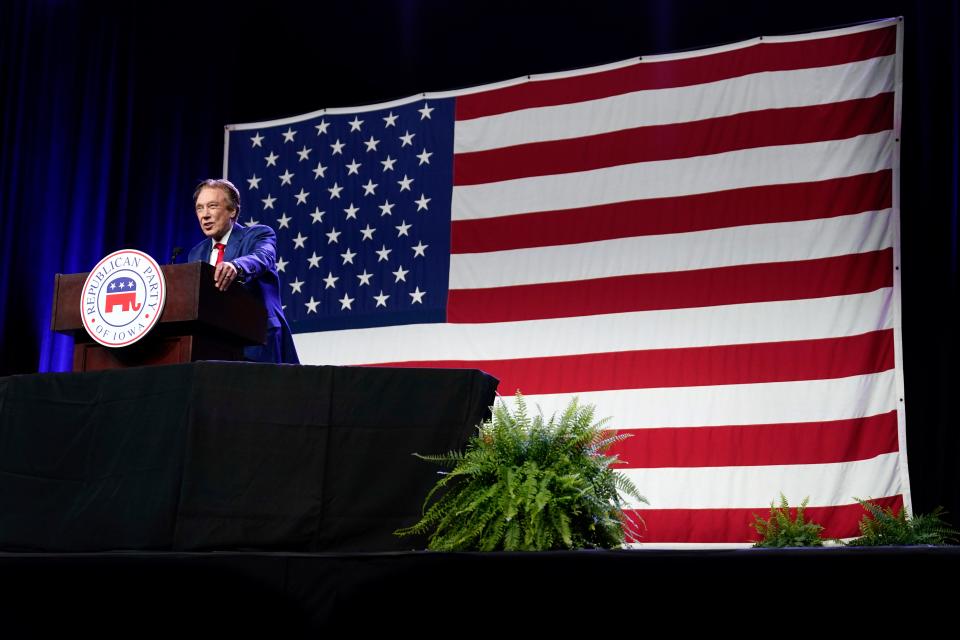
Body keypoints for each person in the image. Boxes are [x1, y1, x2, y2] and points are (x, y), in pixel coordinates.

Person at [187, 178, 300, 364]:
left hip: (258, 342)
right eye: (200, 208)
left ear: (233, 210)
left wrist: (236, 266)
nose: (204, 215)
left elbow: (263, 257)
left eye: (212, 206)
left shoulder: (259, 234)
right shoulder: (196, 253)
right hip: (214, 346)